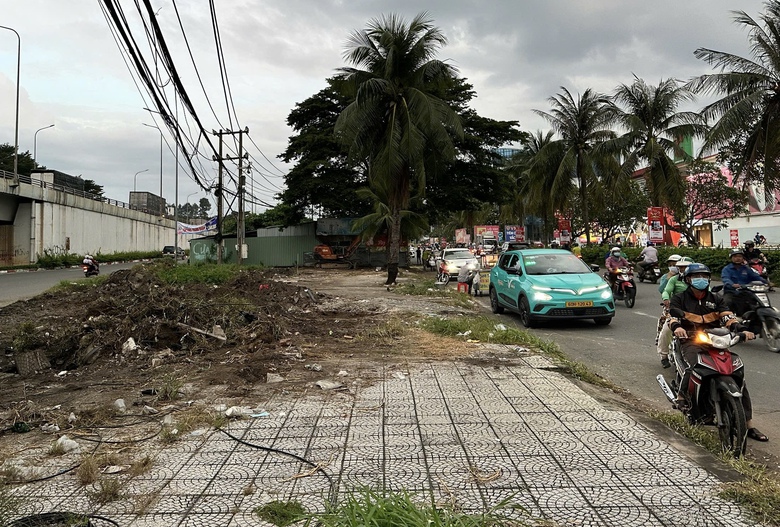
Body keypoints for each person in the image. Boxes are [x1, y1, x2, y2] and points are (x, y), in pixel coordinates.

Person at [668, 263, 767, 442]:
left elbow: (727, 317)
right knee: (694, 367)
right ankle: (682, 396)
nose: (701, 279)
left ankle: (749, 423)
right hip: (690, 340)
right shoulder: (679, 298)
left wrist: (740, 329)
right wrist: (677, 328)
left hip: (715, 340)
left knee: (737, 375)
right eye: (696, 276)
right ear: (688, 279)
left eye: (704, 276)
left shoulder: (716, 298)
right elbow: (672, 318)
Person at [656, 257, 693, 368]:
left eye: (685, 267)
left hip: (695, 311)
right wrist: (666, 299)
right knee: (667, 330)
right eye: (680, 267)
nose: (682, 269)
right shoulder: (674, 279)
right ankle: (664, 355)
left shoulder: (699, 280)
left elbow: (709, 293)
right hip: (676, 309)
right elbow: (666, 291)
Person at [721, 248, 768, 316]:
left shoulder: (746, 269)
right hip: (732, 292)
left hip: (746, 292)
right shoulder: (727, 269)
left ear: (743, 258)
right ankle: (727, 319)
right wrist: (732, 284)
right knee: (726, 302)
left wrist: (766, 282)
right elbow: (726, 279)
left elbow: (756, 277)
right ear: (731, 258)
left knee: (756, 302)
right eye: (735, 256)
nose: (738, 258)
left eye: (740, 256)